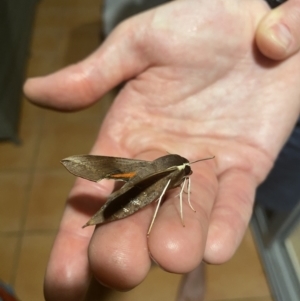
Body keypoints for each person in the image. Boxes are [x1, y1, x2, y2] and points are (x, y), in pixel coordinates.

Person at [24, 0, 300, 300]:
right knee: (156, 215)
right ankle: (170, 252)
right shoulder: (179, 172)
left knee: (234, 196)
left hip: (280, 101)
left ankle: (183, 254)